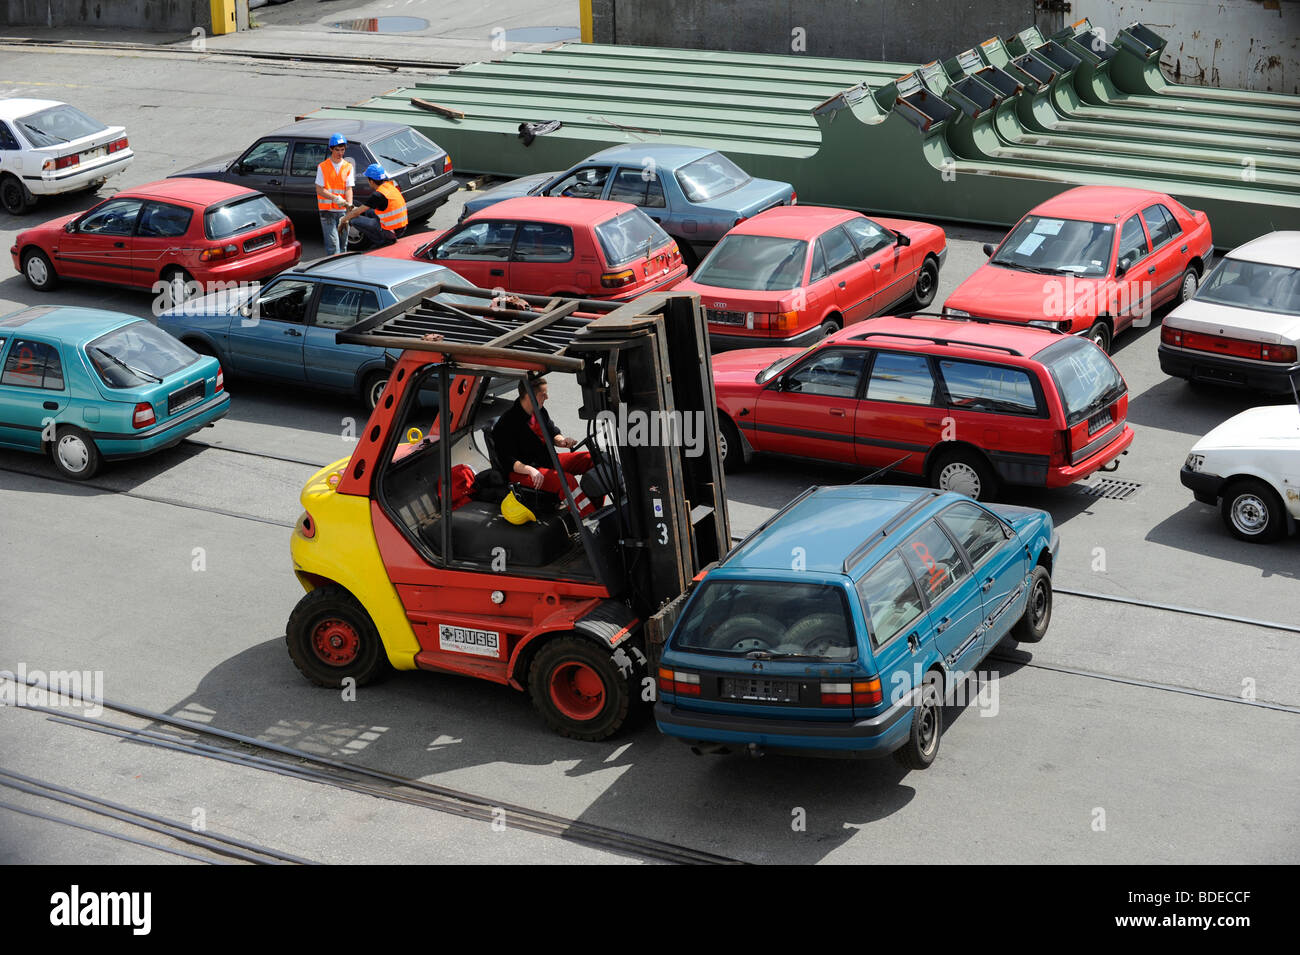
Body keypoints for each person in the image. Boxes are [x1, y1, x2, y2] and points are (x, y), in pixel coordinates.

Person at [491, 373, 597, 516]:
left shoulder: (539, 411)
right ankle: (591, 520)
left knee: (593, 458)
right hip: (524, 471)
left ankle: (598, 509)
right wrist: (530, 470)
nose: (547, 398)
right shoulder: (506, 424)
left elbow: (552, 431)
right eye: (543, 395)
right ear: (529, 396)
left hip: (547, 460)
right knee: (567, 481)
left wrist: (561, 440)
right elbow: (507, 460)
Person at [339, 163, 408, 248]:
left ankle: (383, 242)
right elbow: (365, 208)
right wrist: (356, 209)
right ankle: (384, 237)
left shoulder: (378, 195)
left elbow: (355, 213)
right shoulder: (390, 187)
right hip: (401, 227)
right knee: (369, 213)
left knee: (354, 220)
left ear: (371, 181)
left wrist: (343, 219)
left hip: (392, 230)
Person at [315, 133, 354, 256]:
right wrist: (336, 198)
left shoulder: (348, 167)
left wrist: (349, 207)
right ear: (331, 149)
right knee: (333, 247)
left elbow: (348, 189)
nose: (340, 153)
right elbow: (319, 190)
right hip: (327, 212)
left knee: (343, 246)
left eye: (342, 150)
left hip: (342, 212)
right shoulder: (322, 167)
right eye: (337, 150)